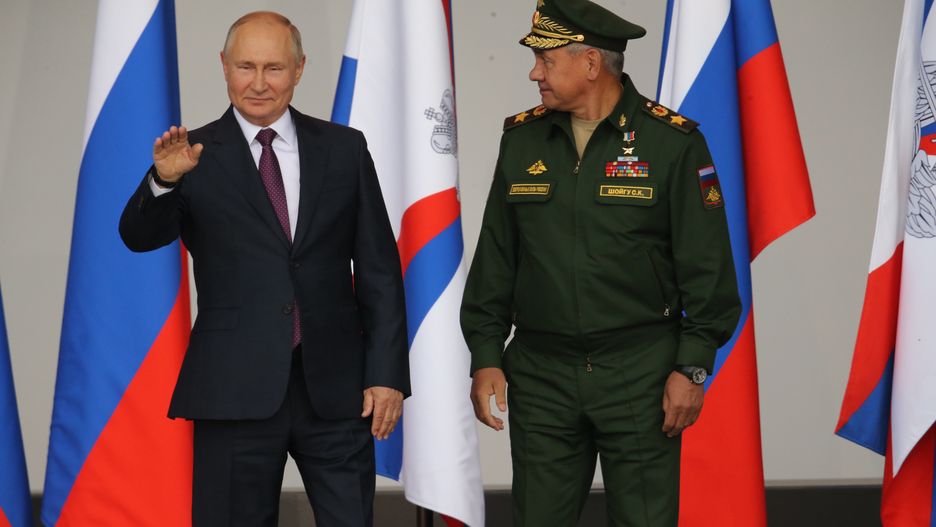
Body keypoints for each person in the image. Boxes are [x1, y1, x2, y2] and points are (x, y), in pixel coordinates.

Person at [119, 11, 409, 527]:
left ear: (299, 70)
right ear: (224, 67)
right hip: (234, 389)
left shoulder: (344, 149)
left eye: (274, 68)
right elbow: (139, 238)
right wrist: (162, 182)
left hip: (337, 390)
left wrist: (386, 375)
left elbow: (380, 272)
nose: (258, 83)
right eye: (245, 66)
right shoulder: (191, 156)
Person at [460, 0, 742, 525]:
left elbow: (709, 271)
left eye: (545, 60)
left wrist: (692, 367)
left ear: (590, 63)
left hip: (641, 373)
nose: (534, 72)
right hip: (542, 373)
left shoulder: (672, 143)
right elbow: (496, 259)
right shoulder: (522, 140)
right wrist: (485, 353)